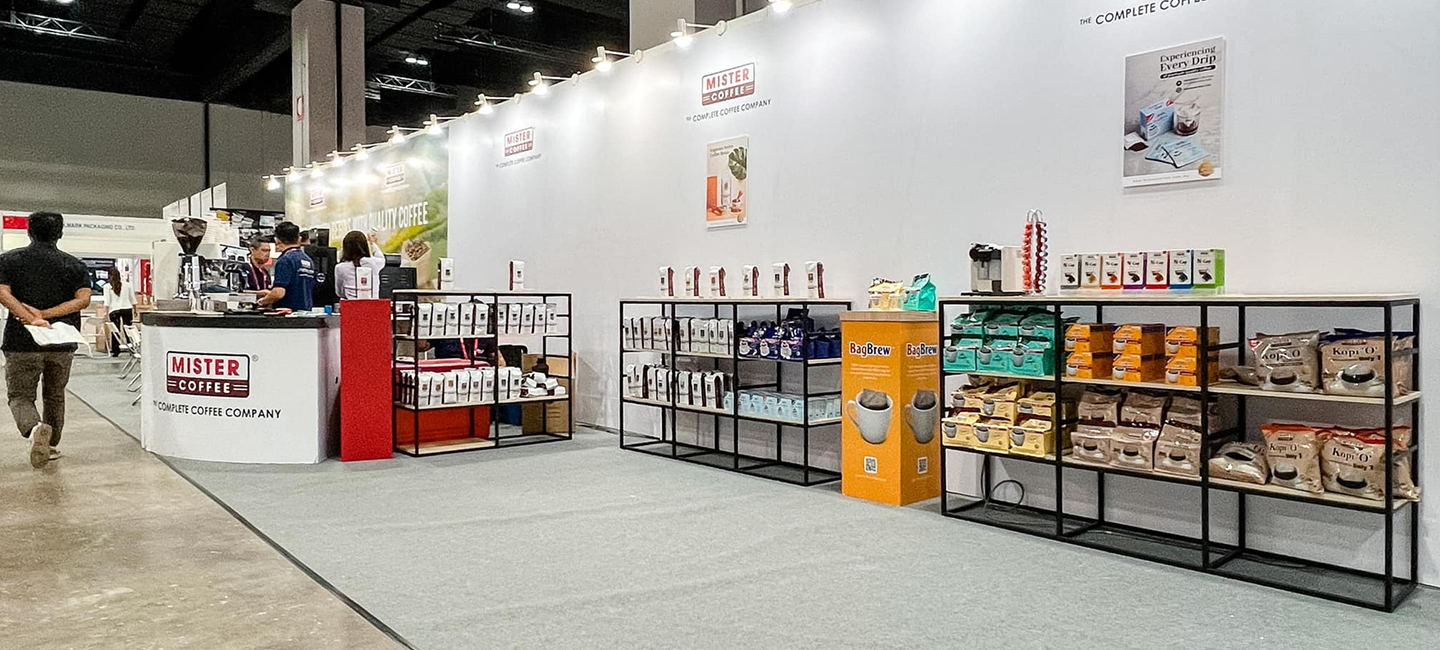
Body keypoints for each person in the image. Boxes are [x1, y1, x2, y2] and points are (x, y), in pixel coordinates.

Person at [0, 212, 92, 468]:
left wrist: (31, 317)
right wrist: (47, 315)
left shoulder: (9, 260)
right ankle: (50, 445)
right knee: (55, 395)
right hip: (62, 341)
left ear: (29, 231)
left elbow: (3, 293)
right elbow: (83, 299)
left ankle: (34, 429)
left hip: (21, 341)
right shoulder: (74, 265)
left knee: (20, 395)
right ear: (60, 233)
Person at [257, 222, 316, 311]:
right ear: (299, 239)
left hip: (287, 314)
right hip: (305, 313)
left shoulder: (285, 260)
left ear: (277, 240)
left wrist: (261, 302)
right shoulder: (308, 260)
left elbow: (278, 293)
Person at [334, 230, 386, 300]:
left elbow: (340, 293)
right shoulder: (374, 263)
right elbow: (381, 258)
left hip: (351, 305)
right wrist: (372, 244)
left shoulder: (340, 268)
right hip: (373, 305)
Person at [102, 266, 136, 357]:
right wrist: (135, 309)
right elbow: (132, 299)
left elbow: (107, 302)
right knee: (128, 330)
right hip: (127, 309)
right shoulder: (127, 285)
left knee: (115, 331)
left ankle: (116, 350)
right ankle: (132, 349)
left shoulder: (107, 287)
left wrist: (105, 313)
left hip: (114, 310)